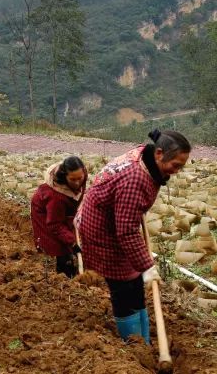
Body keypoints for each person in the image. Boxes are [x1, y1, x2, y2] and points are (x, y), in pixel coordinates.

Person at [76, 129, 192, 343]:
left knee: (134, 280)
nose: (177, 171)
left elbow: (127, 219)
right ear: (159, 153)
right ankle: (133, 342)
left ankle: (143, 338)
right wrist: (147, 267)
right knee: (122, 285)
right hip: (101, 229)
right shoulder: (135, 179)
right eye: (175, 165)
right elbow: (127, 231)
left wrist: (142, 267)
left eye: (181, 166)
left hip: (115, 219)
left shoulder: (146, 158)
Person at [30, 156, 87, 278]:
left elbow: (81, 190)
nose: (77, 183)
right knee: (59, 245)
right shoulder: (56, 197)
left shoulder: (81, 173)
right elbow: (55, 225)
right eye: (73, 179)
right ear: (64, 177)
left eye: (80, 178)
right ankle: (64, 273)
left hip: (64, 205)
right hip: (44, 211)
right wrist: (72, 243)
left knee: (69, 230)